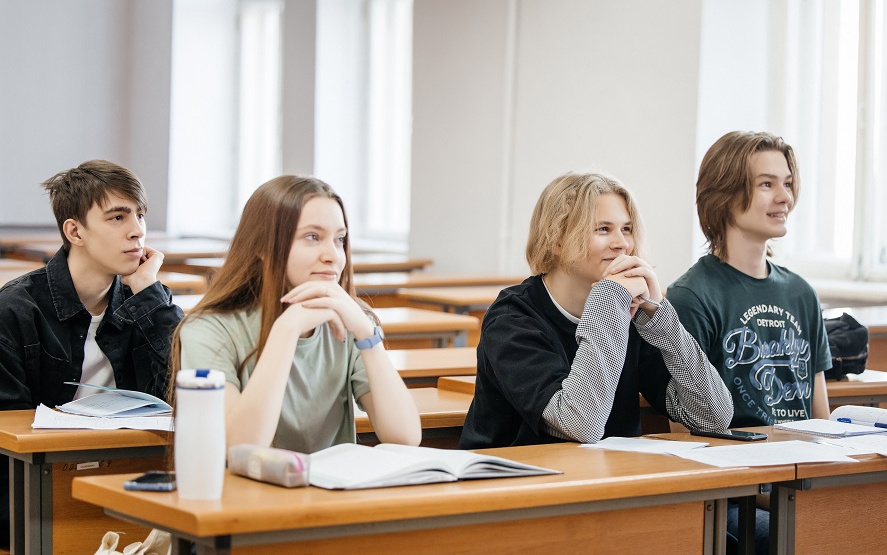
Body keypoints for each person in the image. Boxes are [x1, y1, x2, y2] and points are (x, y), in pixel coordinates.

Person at [460, 172, 733, 450]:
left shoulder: (635, 313)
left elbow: (714, 417)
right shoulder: (512, 319)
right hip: (518, 485)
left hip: (611, 481)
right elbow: (580, 424)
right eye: (603, 229)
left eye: (626, 229)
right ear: (556, 239)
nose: (623, 244)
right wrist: (608, 299)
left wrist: (659, 316)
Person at [0, 160, 183, 548]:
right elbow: (7, 439)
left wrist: (150, 295)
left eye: (140, 215)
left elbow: (191, 385)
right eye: (117, 217)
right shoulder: (16, 310)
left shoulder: (149, 299)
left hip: (136, 481)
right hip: (40, 492)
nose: (137, 231)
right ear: (75, 231)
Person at [668, 131, 832, 554]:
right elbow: (684, 438)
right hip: (738, 493)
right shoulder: (691, 297)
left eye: (788, 183)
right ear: (723, 194)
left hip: (801, 480)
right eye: (766, 184)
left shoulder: (801, 293)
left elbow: (820, 417)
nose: (784, 197)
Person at [171, 175, 421, 453]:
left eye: (339, 239)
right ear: (263, 247)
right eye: (312, 237)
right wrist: (287, 329)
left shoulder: (352, 322)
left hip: (332, 492)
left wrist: (366, 333)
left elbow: (405, 436)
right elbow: (240, 446)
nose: (333, 256)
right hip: (247, 494)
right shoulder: (208, 329)